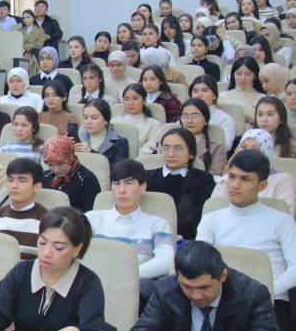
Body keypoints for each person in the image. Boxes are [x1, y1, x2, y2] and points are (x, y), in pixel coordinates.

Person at [0, 207, 117, 331]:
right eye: (42, 243)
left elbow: (96, 330)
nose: (47, 253)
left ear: (77, 249)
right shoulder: (22, 272)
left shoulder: (87, 282)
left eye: (59, 247)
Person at [196, 150, 296, 331]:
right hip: (219, 298)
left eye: (245, 179)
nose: (235, 185)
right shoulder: (211, 219)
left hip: (268, 300)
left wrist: (266, 290)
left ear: (262, 185)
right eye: (231, 177)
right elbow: (199, 262)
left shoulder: (281, 220)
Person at [127, 240, 286, 331]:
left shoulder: (252, 294)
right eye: (187, 287)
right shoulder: (166, 289)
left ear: (223, 276)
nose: (195, 295)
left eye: (204, 288)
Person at [86, 159, 175, 301]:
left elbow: (166, 261)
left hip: (137, 287)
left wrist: (127, 276)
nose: (121, 190)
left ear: (142, 187)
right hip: (94, 283)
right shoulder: (92, 219)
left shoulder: (157, 224)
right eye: (116, 184)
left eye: (128, 183)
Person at [147, 128, 215, 241]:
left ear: (191, 153)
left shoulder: (204, 181)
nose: (170, 154)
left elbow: (200, 221)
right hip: (150, 238)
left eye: (178, 149)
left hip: (187, 242)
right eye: (166, 148)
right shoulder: (147, 177)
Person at [215, 128, 296, 219]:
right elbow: (214, 210)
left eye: (254, 149)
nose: (247, 152)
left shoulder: (282, 180)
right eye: (243, 147)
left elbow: (286, 214)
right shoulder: (227, 178)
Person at [0, 157, 49, 250]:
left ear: (37, 187)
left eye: (22, 180)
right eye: (10, 180)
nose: (14, 185)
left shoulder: (47, 220)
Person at [41, 134, 101, 212]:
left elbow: (91, 212)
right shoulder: (45, 176)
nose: (56, 170)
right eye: (50, 164)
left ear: (70, 158)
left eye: (60, 164)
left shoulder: (86, 179)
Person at [179, 98, 227, 175]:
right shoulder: (169, 142)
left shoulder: (216, 147)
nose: (189, 121)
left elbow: (214, 175)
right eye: (185, 116)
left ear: (206, 121)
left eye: (195, 116)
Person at [254, 96, 296, 164]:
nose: (264, 120)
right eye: (260, 114)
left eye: (270, 114)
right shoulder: (246, 142)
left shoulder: (294, 146)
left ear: (281, 118)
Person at [188, 75, 237, 149]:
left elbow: (226, 145)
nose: (199, 95)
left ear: (214, 95)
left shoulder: (225, 119)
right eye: (195, 91)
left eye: (205, 90)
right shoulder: (185, 116)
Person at [74, 99, 127, 165]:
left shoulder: (120, 143)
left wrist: (91, 153)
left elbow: (119, 172)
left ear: (106, 120)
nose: (88, 122)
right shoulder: (77, 141)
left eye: (94, 118)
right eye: (85, 117)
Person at [118, 83, 164, 154]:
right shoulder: (115, 122)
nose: (130, 103)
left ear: (144, 100)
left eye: (135, 99)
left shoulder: (154, 124)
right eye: (126, 99)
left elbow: (151, 147)